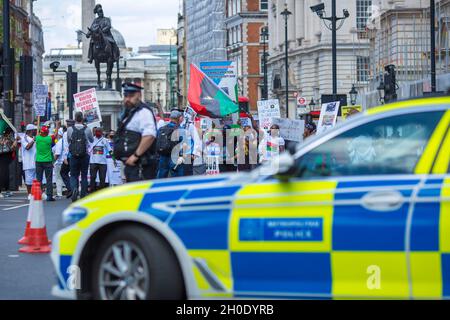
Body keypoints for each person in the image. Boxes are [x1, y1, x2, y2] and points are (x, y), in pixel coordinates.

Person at [115, 83, 158, 182]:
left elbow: (149, 136)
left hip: (141, 166)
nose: (127, 99)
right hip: (131, 166)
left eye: (131, 96)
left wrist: (135, 156)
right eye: (126, 96)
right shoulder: (129, 113)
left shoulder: (143, 112)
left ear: (139, 95)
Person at [67, 112, 94, 202]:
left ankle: (74, 188)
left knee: (73, 175)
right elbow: (91, 140)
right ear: (82, 118)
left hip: (73, 156)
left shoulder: (70, 129)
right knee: (84, 175)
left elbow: (68, 140)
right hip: (84, 155)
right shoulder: (87, 129)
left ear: (75, 118)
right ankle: (83, 195)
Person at [156, 110, 184, 178]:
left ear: (170, 118)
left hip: (163, 156)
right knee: (177, 179)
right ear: (178, 118)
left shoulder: (161, 129)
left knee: (161, 176)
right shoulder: (180, 130)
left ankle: (160, 188)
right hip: (175, 157)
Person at [35, 125, 57, 201]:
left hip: (39, 161)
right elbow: (55, 135)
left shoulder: (37, 138)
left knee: (39, 179)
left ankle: (39, 195)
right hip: (48, 161)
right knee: (49, 179)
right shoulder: (49, 139)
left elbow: (37, 135)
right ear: (47, 132)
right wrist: (57, 126)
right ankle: (49, 196)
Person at [89, 127, 112, 192]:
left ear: (102, 132)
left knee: (102, 178)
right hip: (93, 162)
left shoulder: (105, 140)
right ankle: (92, 192)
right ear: (95, 132)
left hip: (103, 163)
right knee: (93, 177)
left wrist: (114, 158)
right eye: (96, 131)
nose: (98, 132)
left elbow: (110, 150)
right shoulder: (92, 140)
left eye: (99, 131)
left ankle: (101, 193)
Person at [17, 124, 37, 199]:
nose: (36, 131)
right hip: (28, 162)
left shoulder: (35, 138)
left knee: (37, 180)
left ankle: (36, 193)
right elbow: (27, 147)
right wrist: (33, 140)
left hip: (36, 161)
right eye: (35, 130)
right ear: (31, 131)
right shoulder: (24, 138)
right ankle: (29, 194)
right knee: (29, 181)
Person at [53, 128, 67, 199]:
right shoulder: (67, 141)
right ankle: (67, 190)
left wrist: (53, 162)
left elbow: (57, 154)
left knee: (58, 178)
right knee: (65, 176)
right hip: (65, 161)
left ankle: (59, 193)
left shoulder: (60, 142)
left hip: (59, 162)